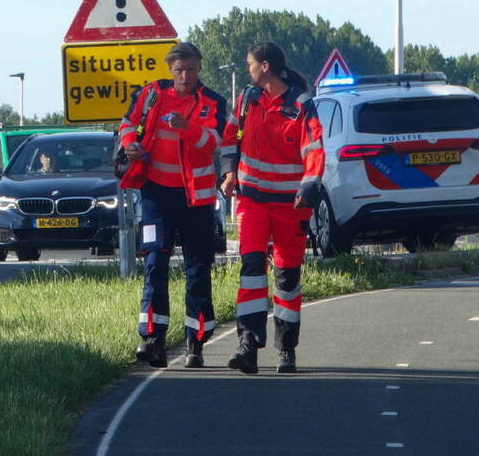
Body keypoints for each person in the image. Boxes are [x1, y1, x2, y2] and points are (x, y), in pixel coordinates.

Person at [118, 42, 227, 369]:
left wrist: (187, 127)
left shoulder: (212, 101)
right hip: (155, 195)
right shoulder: (151, 93)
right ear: (170, 69)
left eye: (191, 69)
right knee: (154, 264)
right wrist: (130, 144)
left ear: (199, 68)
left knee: (198, 268)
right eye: (179, 70)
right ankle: (152, 339)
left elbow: (214, 141)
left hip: (196, 199)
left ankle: (196, 343)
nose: (185, 76)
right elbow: (127, 123)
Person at [220, 42, 324, 374]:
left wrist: (309, 184)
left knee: (286, 278)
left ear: (265, 66)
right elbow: (230, 138)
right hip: (252, 201)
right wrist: (229, 173)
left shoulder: (301, 104)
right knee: (251, 270)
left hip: (290, 206)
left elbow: (314, 148)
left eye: (249, 63)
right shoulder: (247, 100)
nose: (247, 68)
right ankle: (248, 345)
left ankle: (286, 348)